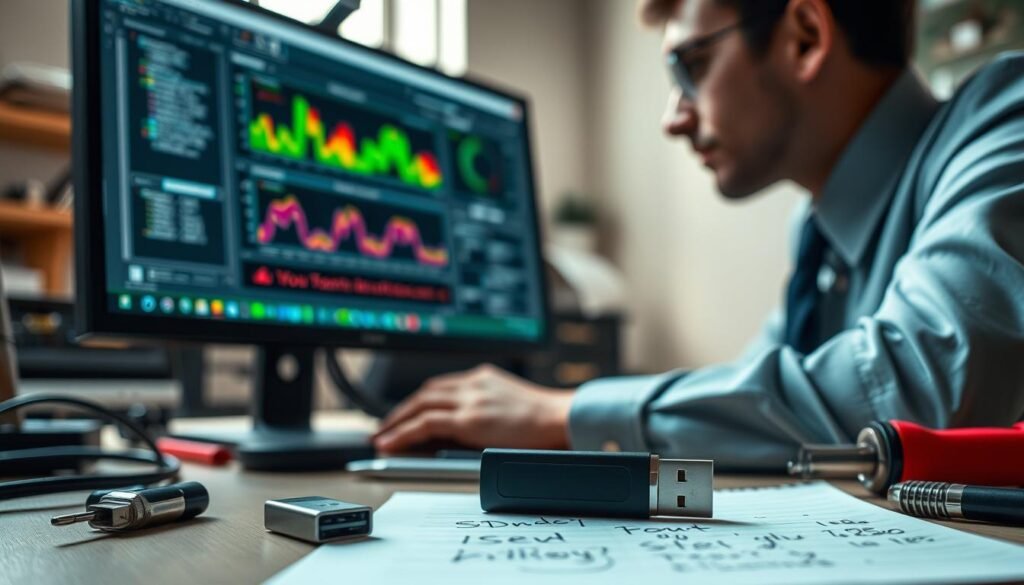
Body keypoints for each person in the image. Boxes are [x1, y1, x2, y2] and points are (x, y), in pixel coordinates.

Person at [373, 0, 1024, 469]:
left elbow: (919, 390)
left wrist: (562, 414)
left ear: (803, 35)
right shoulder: (822, 241)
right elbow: (762, 395)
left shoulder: (1006, 120)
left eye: (690, 67)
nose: (672, 119)